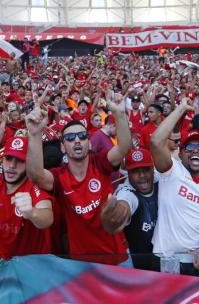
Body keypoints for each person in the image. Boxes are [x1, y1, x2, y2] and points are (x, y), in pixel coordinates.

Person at [25, 90, 132, 265]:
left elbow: (124, 148)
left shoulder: (101, 163)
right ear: (62, 147)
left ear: (89, 143)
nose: (76, 140)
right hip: (83, 263)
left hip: (118, 257)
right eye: (69, 137)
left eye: (82, 136)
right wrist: (35, 134)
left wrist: (119, 114)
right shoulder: (59, 176)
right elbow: (36, 175)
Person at [150, 98, 199, 277]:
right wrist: (181, 109)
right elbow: (155, 141)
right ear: (180, 152)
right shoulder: (171, 170)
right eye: (189, 147)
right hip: (166, 258)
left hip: (196, 260)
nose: (195, 151)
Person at [101, 148, 159, 271]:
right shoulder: (126, 191)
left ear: (153, 169)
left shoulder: (161, 180)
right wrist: (116, 214)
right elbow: (124, 204)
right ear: (127, 173)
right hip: (141, 267)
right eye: (135, 171)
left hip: (167, 260)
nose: (142, 175)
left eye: (146, 169)